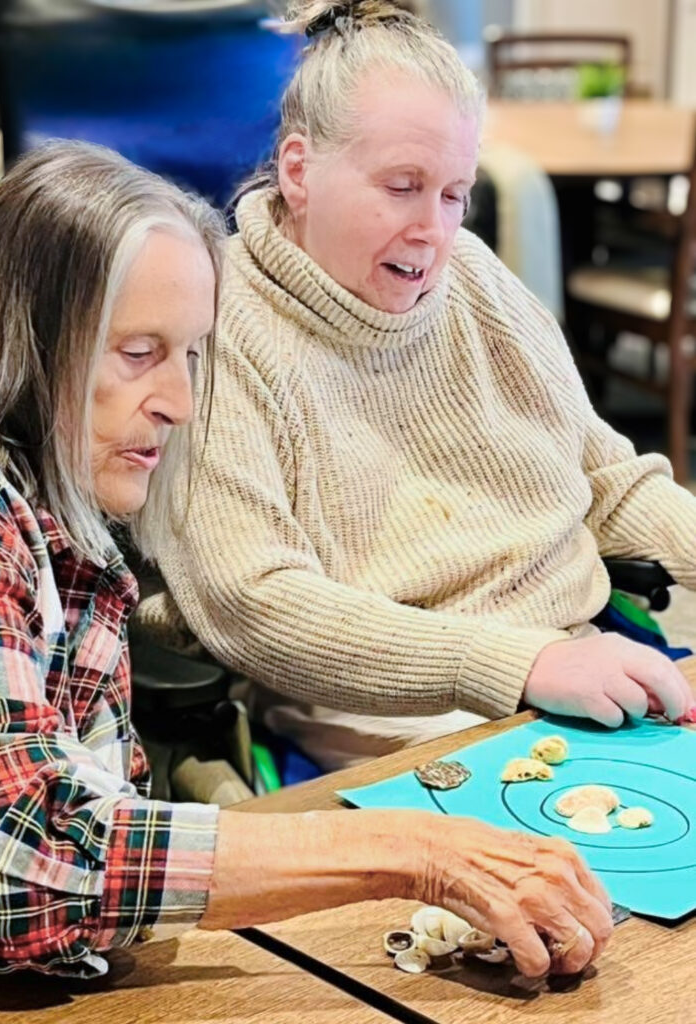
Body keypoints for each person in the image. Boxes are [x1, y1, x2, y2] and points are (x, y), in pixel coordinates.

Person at [0, 142, 612, 979]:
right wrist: (409, 850)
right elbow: (16, 855)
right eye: (138, 354)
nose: (180, 402)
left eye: (191, 355)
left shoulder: (59, 508)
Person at [137, 0, 696, 772]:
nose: (435, 229)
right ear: (299, 171)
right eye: (402, 186)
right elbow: (251, 602)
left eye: (454, 192)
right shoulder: (220, 327)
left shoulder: (471, 275)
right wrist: (516, 664)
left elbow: (606, 479)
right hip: (403, 717)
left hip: (579, 663)